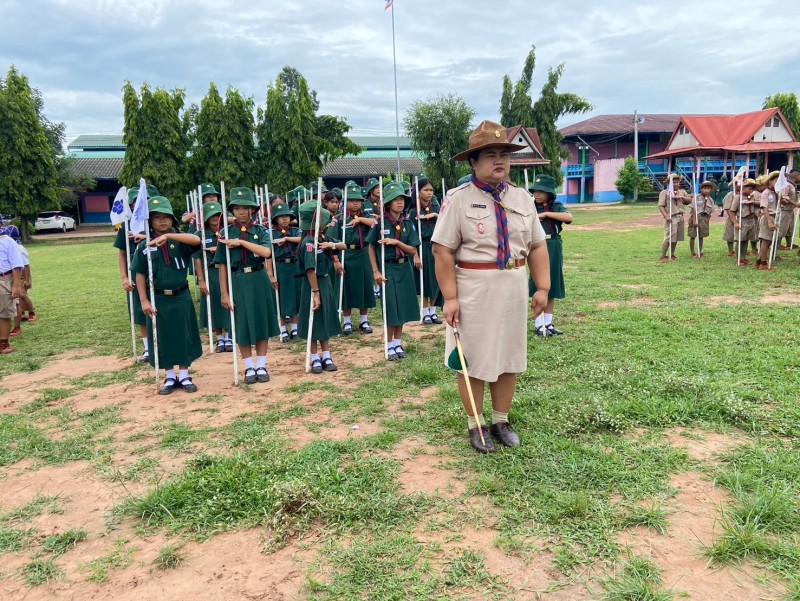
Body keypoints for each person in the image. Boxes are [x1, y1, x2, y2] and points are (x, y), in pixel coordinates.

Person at [433, 121, 550, 454]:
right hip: (473, 289)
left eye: (504, 154)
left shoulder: (522, 198)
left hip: (513, 286)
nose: (499, 160)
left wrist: (542, 287)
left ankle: (501, 420)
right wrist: (450, 298)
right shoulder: (458, 199)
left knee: (509, 355)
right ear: (473, 161)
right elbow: (442, 250)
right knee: (471, 358)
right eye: (490, 155)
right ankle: (476, 424)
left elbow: (537, 245)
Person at [131, 196, 203, 394]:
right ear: (150, 221)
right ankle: (170, 376)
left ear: (172, 219)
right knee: (163, 338)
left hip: (180, 296)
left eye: (166, 217)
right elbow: (139, 274)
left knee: (184, 335)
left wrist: (170, 237)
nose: (162, 221)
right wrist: (144, 300)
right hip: (158, 298)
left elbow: (197, 240)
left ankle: (184, 375)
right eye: (157, 217)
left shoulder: (180, 240)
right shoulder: (144, 246)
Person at [216, 187, 280, 384]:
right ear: (232, 211)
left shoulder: (261, 231)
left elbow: (266, 252)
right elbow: (222, 265)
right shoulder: (226, 233)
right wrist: (224, 292)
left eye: (245, 208)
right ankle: (249, 366)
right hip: (237, 281)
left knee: (261, 322)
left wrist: (242, 243)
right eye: (237, 208)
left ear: (252, 209)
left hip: (259, 279)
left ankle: (261, 365)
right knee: (241, 324)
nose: (241, 212)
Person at [367, 181, 421, 361]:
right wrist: (376, 271)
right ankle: (389, 344)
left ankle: (398, 342)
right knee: (391, 307)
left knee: (403, 306)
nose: (400, 202)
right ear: (388, 203)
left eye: (402, 199)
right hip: (387, 267)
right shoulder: (380, 223)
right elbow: (371, 247)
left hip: (404, 267)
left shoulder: (407, 223)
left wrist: (397, 242)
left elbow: (413, 250)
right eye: (395, 199)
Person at [297, 200, 343, 374]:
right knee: (314, 320)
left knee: (324, 319)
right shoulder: (308, 242)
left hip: (325, 282)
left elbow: (343, 245)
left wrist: (332, 245)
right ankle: (315, 356)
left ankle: (327, 355)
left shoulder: (322, 238)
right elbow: (310, 270)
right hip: (312, 284)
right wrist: (316, 292)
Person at [330, 182, 376, 335]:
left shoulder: (367, 216)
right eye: (351, 200)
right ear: (346, 202)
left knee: (364, 286)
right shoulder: (339, 219)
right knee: (346, 288)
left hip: (363, 254)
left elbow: (376, 224)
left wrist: (360, 220)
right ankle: (347, 321)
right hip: (346, 254)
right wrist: (336, 260)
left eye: (358, 200)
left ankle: (364, 320)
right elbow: (332, 240)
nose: (355, 203)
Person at [529, 174, 572, 336]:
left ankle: (548, 323)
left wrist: (547, 214)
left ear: (549, 193)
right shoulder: (531, 206)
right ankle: (538, 324)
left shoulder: (556, 206)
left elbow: (568, 217)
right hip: (536, 245)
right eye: (535, 191)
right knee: (538, 284)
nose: (537, 194)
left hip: (553, 244)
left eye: (541, 191)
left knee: (551, 284)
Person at [114, 187, 152, 362]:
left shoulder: (157, 222)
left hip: (158, 272)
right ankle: (147, 347)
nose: (140, 204)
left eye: (144, 200)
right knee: (141, 311)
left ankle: (162, 343)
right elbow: (122, 254)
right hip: (136, 275)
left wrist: (146, 238)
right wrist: (124, 277)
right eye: (136, 201)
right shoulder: (127, 226)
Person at [192, 201, 232, 352]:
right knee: (214, 304)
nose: (215, 219)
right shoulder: (200, 234)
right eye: (211, 216)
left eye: (217, 215)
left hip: (227, 271)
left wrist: (219, 248)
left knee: (228, 302)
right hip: (210, 272)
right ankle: (219, 337)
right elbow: (197, 259)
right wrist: (201, 280)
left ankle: (229, 336)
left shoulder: (229, 231)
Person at [408, 178, 443, 324]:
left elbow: (446, 223)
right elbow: (411, 234)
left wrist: (436, 215)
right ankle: (424, 311)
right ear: (418, 192)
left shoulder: (437, 207)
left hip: (436, 246)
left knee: (435, 279)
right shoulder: (413, 210)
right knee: (424, 279)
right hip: (421, 246)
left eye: (431, 190)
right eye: (426, 190)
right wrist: (415, 255)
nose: (429, 193)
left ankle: (433, 311)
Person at [269, 202, 303, 342]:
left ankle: (295, 327)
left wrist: (287, 238)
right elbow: (268, 255)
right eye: (281, 216)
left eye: (287, 216)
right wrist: (271, 274)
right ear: (275, 219)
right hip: (280, 267)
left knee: (295, 297)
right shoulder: (271, 233)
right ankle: (282, 328)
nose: (284, 219)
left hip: (294, 266)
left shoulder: (295, 231)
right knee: (281, 298)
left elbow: (302, 240)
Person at [658, 174, 691, 261]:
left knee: (675, 238)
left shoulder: (682, 192)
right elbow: (661, 205)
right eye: (673, 182)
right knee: (669, 237)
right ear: (669, 183)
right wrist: (665, 215)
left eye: (677, 182)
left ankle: (672, 254)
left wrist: (681, 197)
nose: (675, 184)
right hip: (671, 217)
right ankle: (663, 255)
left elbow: (689, 201)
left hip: (680, 217)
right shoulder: (665, 193)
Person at [0, 229, 23, 354]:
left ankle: (4, 343)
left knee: (4, 312)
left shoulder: (8, 241)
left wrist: (16, 285)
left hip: (4, 278)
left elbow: (17, 264)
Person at [729, 178, 758, 265]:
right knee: (740, 240)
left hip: (751, 220)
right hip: (742, 220)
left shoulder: (751, 197)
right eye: (749, 187)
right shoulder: (738, 197)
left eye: (752, 187)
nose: (751, 189)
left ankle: (743, 257)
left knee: (746, 240)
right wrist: (735, 223)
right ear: (743, 187)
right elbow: (732, 211)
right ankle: (739, 259)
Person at [756, 171, 780, 270]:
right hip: (768, 217)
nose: (778, 183)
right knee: (765, 240)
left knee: (769, 241)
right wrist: (769, 221)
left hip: (775, 217)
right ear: (770, 181)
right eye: (776, 181)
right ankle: (763, 263)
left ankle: (760, 260)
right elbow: (764, 208)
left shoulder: (776, 192)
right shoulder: (766, 193)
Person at [688, 180, 716, 258]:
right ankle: (692, 252)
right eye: (705, 188)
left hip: (704, 218)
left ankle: (700, 251)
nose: (706, 190)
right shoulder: (696, 197)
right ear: (701, 189)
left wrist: (707, 221)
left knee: (701, 236)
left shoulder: (710, 200)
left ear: (711, 190)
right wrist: (694, 221)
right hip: (696, 217)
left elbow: (710, 212)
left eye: (708, 188)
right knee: (693, 235)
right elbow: (694, 209)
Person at [777, 170, 799, 250]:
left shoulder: (793, 186)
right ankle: (777, 245)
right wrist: (795, 204)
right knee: (782, 228)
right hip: (784, 210)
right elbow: (784, 197)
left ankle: (790, 244)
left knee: (790, 228)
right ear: (796, 177)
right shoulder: (787, 185)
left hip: (790, 210)